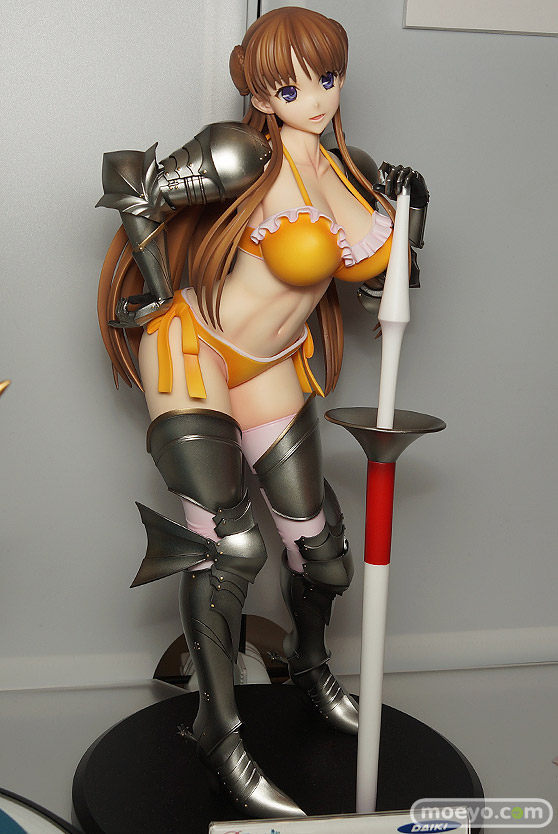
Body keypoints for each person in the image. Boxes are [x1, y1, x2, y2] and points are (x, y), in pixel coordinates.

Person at [97, 6, 428, 818]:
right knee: (229, 547)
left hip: (275, 367)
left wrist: (411, 216)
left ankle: (311, 669)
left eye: (326, 78)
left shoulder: (357, 172)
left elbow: (385, 286)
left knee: (324, 555)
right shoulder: (242, 155)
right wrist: (156, 290)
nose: (314, 99)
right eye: (290, 87)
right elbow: (132, 180)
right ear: (258, 92)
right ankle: (219, 733)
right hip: (195, 350)